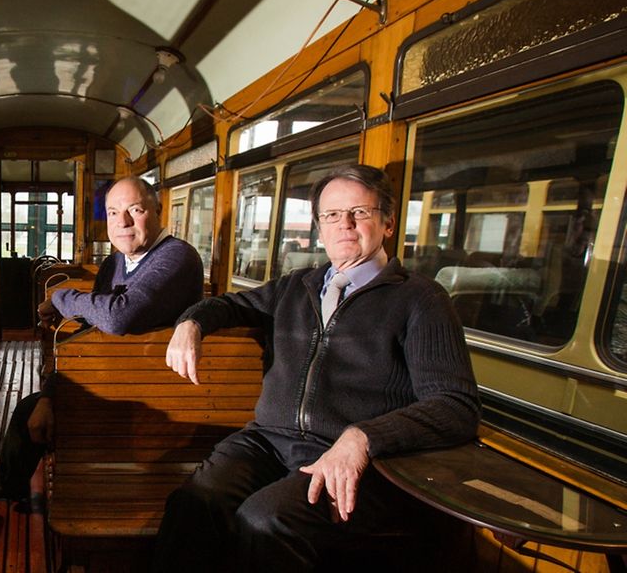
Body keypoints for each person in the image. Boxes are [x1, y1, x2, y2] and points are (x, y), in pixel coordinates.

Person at [153, 164, 480, 572]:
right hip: (270, 440)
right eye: (331, 215)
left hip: (360, 460)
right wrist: (192, 322)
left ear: (388, 222)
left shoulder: (421, 300)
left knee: (264, 519)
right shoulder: (296, 285)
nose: (344, 224)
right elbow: (230, 304)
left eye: (359, 212)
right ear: (319, 228)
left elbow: (455, 405)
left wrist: (363, 438)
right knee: (195, 503)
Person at [0, 175, 204, 501]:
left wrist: (63, 298)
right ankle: (11, 486)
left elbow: (118, 317)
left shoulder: (177, 257)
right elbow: (89, 336)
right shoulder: (115, 262)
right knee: (31, 410)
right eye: (113, 212)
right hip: (116, 380)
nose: (124, 221)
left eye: (135, 209)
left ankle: (13, 487)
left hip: (161, 395)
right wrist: (50, 395)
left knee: (29, 413)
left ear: (159, 210)